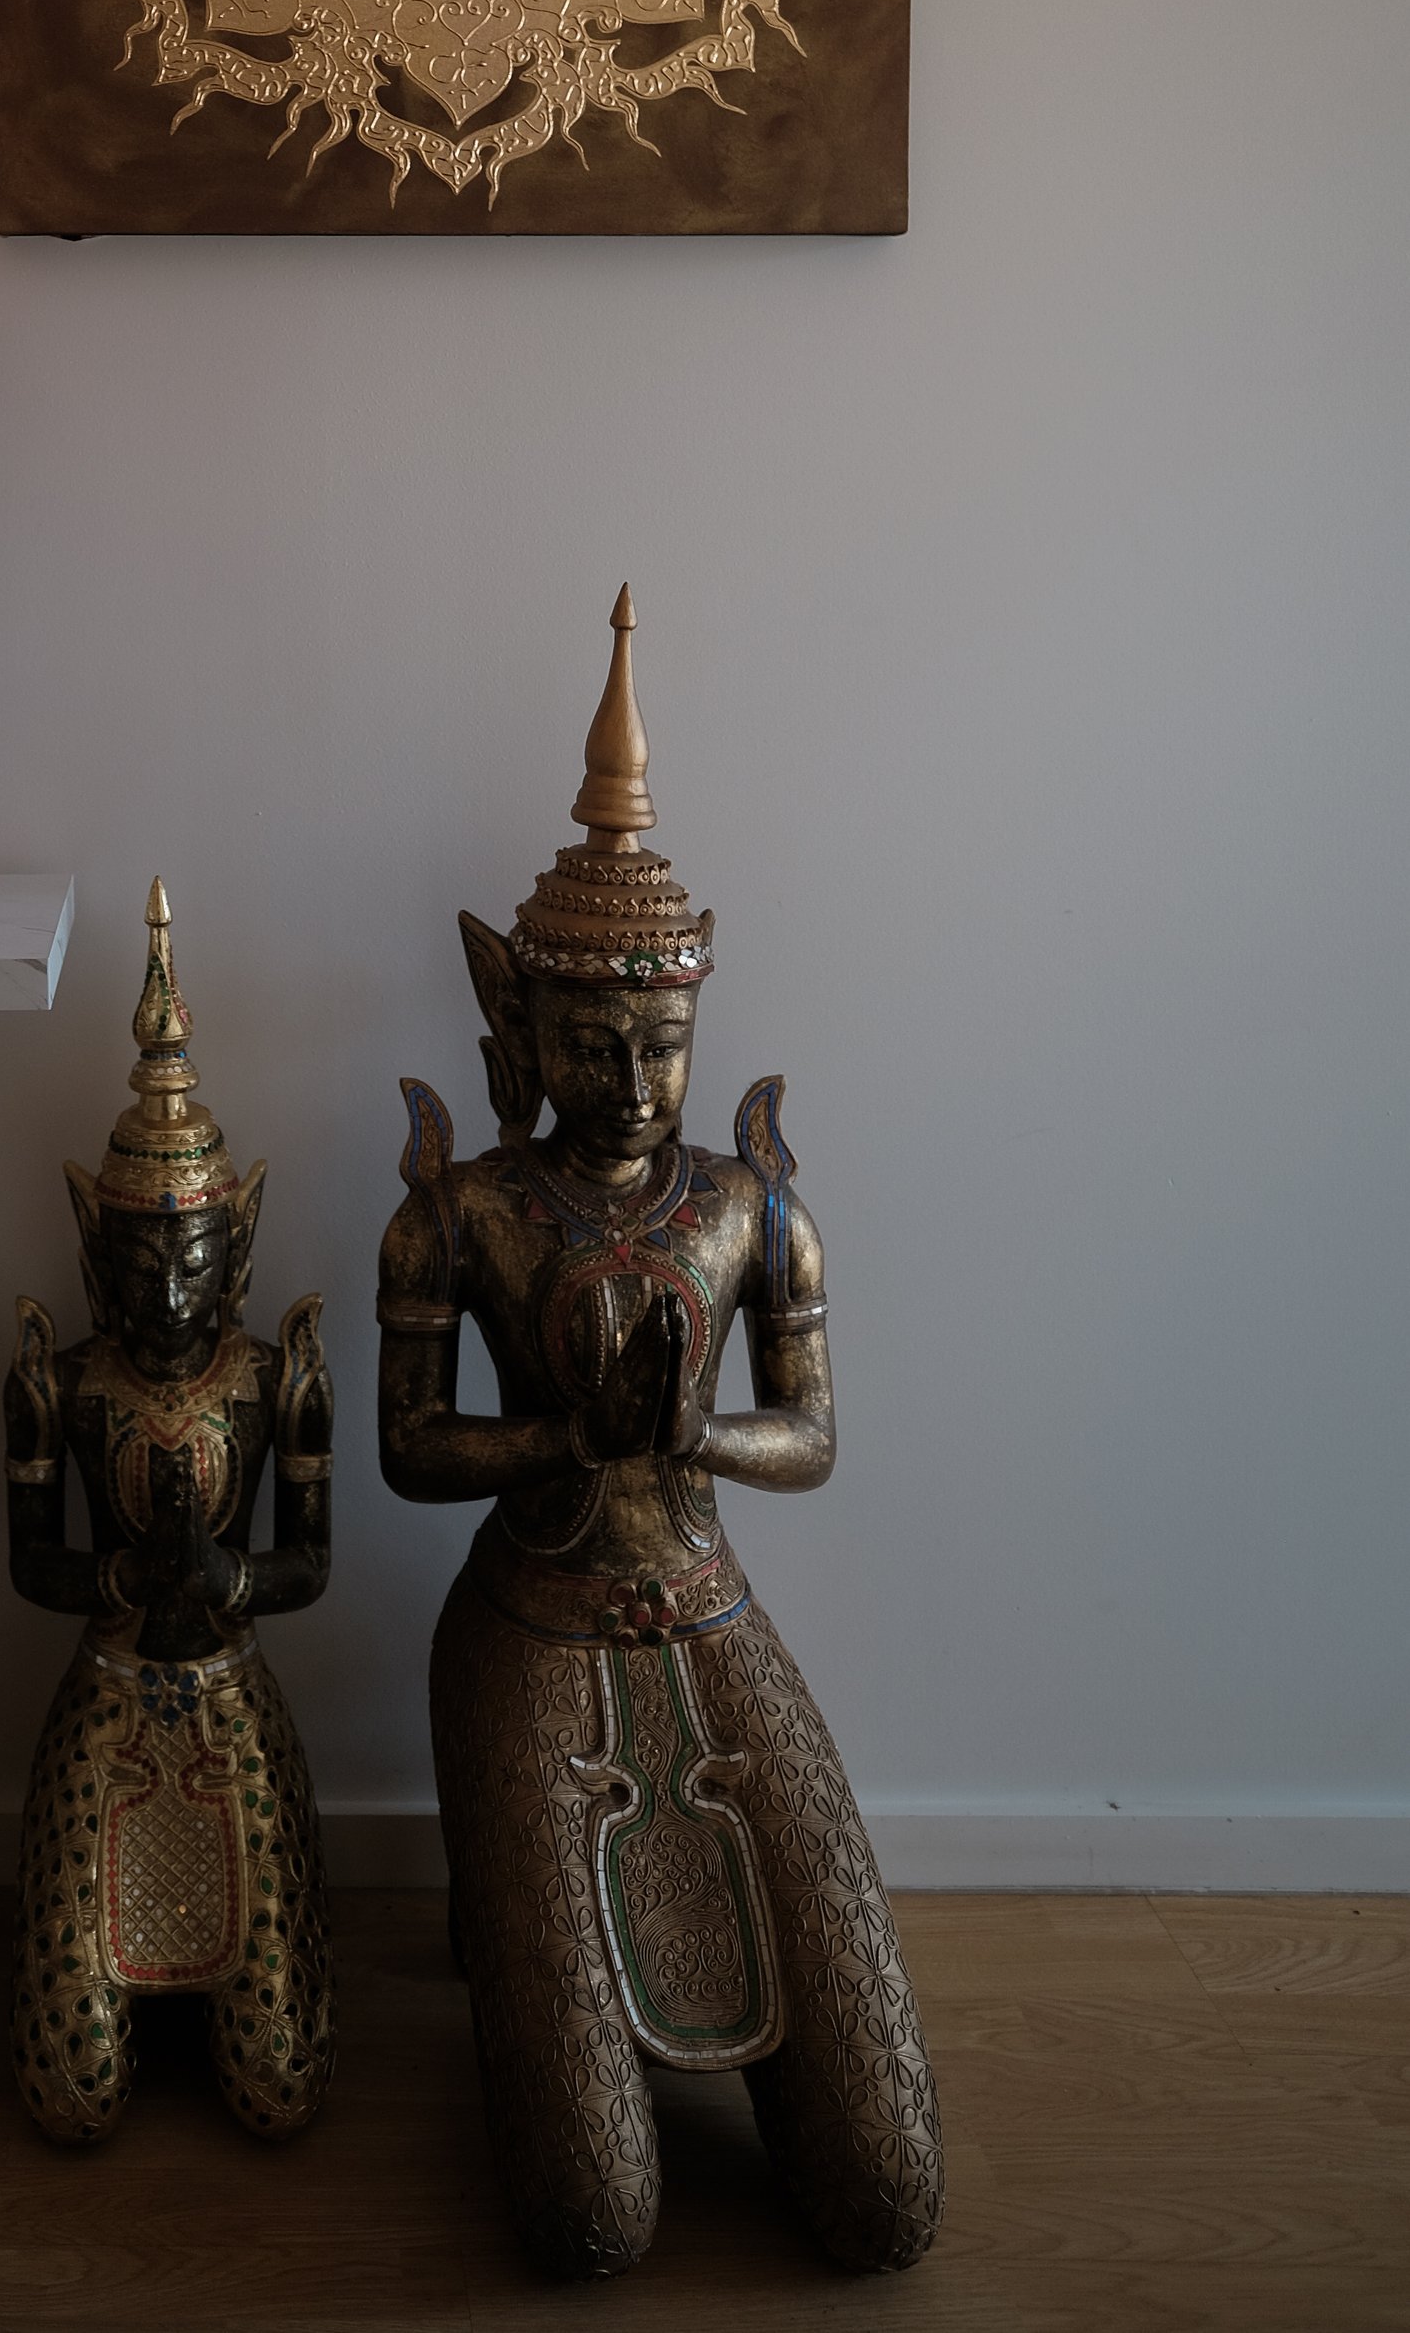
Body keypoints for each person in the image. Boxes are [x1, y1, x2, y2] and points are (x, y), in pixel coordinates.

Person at [377, 591, 943, 2277]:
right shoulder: (463, 1211)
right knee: (587, 2221)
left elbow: (816, 1436)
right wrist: (564, 1449)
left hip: (705, 1616)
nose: (632, 1082)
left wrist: (695, 1443)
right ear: (526, 1033)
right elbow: (413, 1449)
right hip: (529, 1629)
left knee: (886, 2197)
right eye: (596, 1045)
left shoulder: (751, 1205)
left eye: (664, 1046)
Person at [5, 882, 334, 2141]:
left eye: (195, 1254)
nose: (171, 1284)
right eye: (142, 1260)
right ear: (95, 1249)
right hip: (108, 1693)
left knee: (280, 2085)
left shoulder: (270, 1380)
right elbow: (32, 1562)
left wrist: (230, 1582)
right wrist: (123, 1586)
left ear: (236, 1244)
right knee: (71, 2093)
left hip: (230, 1695)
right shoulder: (66, 1384)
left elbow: (309, 1561)